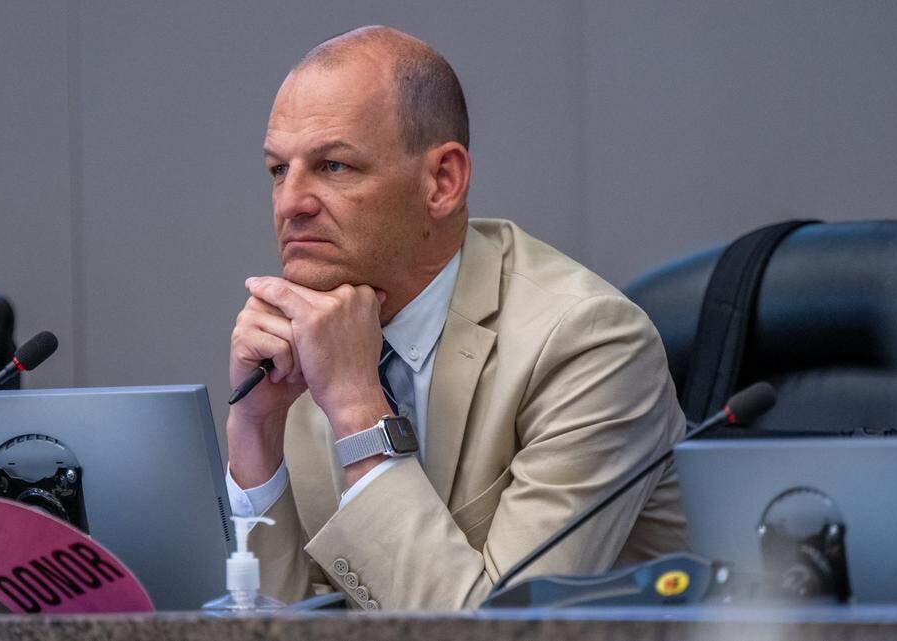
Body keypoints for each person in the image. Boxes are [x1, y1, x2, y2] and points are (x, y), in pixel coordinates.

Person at [224, 25, 686, 610]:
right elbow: (278, 620)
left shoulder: (589, 343)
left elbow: (501, 628)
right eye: (277, 170)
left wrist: (357, 412)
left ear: (442, 181)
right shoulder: (307, 343)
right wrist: (255, 435)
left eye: (334, 166)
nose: (291, 202)